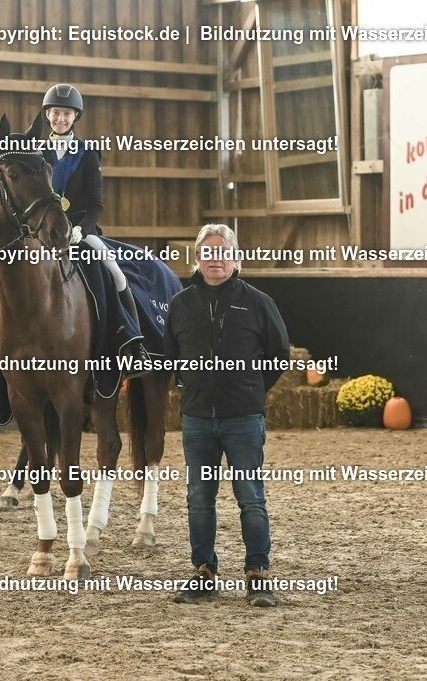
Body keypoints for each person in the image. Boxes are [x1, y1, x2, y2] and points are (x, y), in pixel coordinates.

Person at [165, 224, 290, 607]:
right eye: (207, 251)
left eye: (222, 251)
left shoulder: (258, 302)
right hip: (197, 419)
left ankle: (258, 574)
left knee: (250, 497)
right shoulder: (180, 305)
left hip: (243, 419)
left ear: (235, 258)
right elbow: (172, 358)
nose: (215, 258)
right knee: (199, 498)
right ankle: (204, 573)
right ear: (198, 259)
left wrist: (249, 392)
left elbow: (278, 355)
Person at [40, 83, 149, 374]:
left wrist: (81, 229)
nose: (61, 119)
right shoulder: (36, 153)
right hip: (44, 233)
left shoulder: (88, 154)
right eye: (56, 113)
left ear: (76, 117)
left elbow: (97, 204)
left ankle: (132, 341)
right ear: (47, 114)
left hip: (80, 230)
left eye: (67, 114)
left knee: (114, 271)